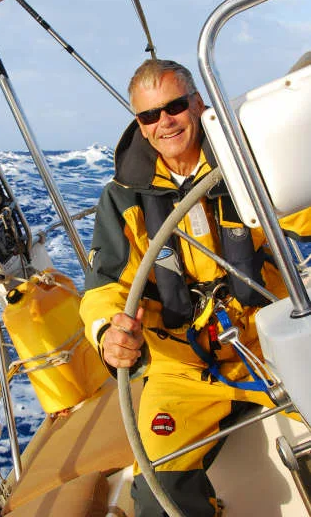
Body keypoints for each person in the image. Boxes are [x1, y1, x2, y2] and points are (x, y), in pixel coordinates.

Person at [79, 59, 311, 516]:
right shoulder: (122, 198)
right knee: (158, 496)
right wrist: (109, 333)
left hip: (264, 342)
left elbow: (302, 214)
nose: (164, 122)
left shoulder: (247, 164)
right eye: (150, 115)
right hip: (180, 369)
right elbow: (104, 287)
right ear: (140, 126)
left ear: (198, 103)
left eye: (174, 106)